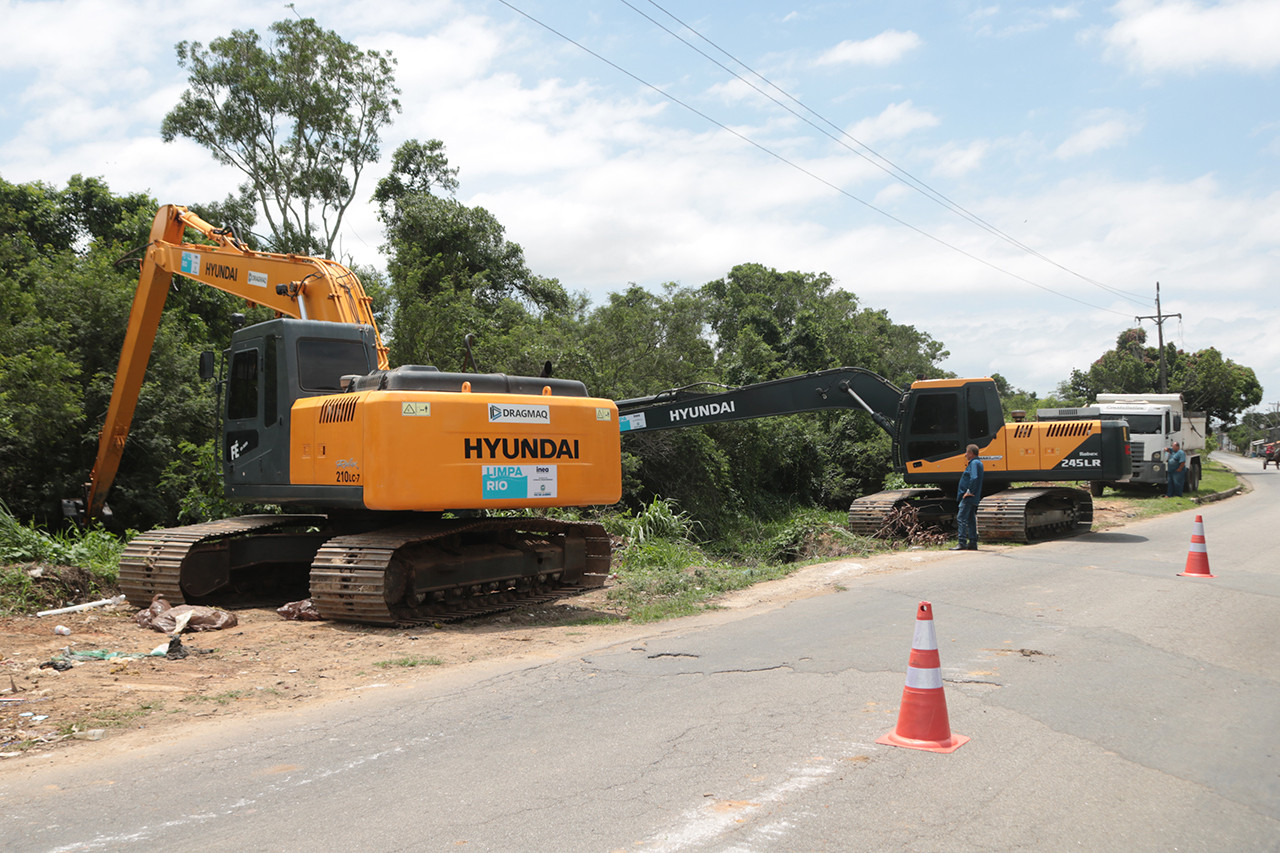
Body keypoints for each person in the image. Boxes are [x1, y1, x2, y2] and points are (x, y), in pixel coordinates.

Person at [953, 444, 983, 551]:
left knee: (961, 518)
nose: (965, 454)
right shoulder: (977, 463)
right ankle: (973, 543)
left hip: (969, 497)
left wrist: (969, 491)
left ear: (971, 453)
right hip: (973, 497)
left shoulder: (974, 463)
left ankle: (962, 542)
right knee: (971, 519)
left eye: (967, 452)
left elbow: (974, 478)